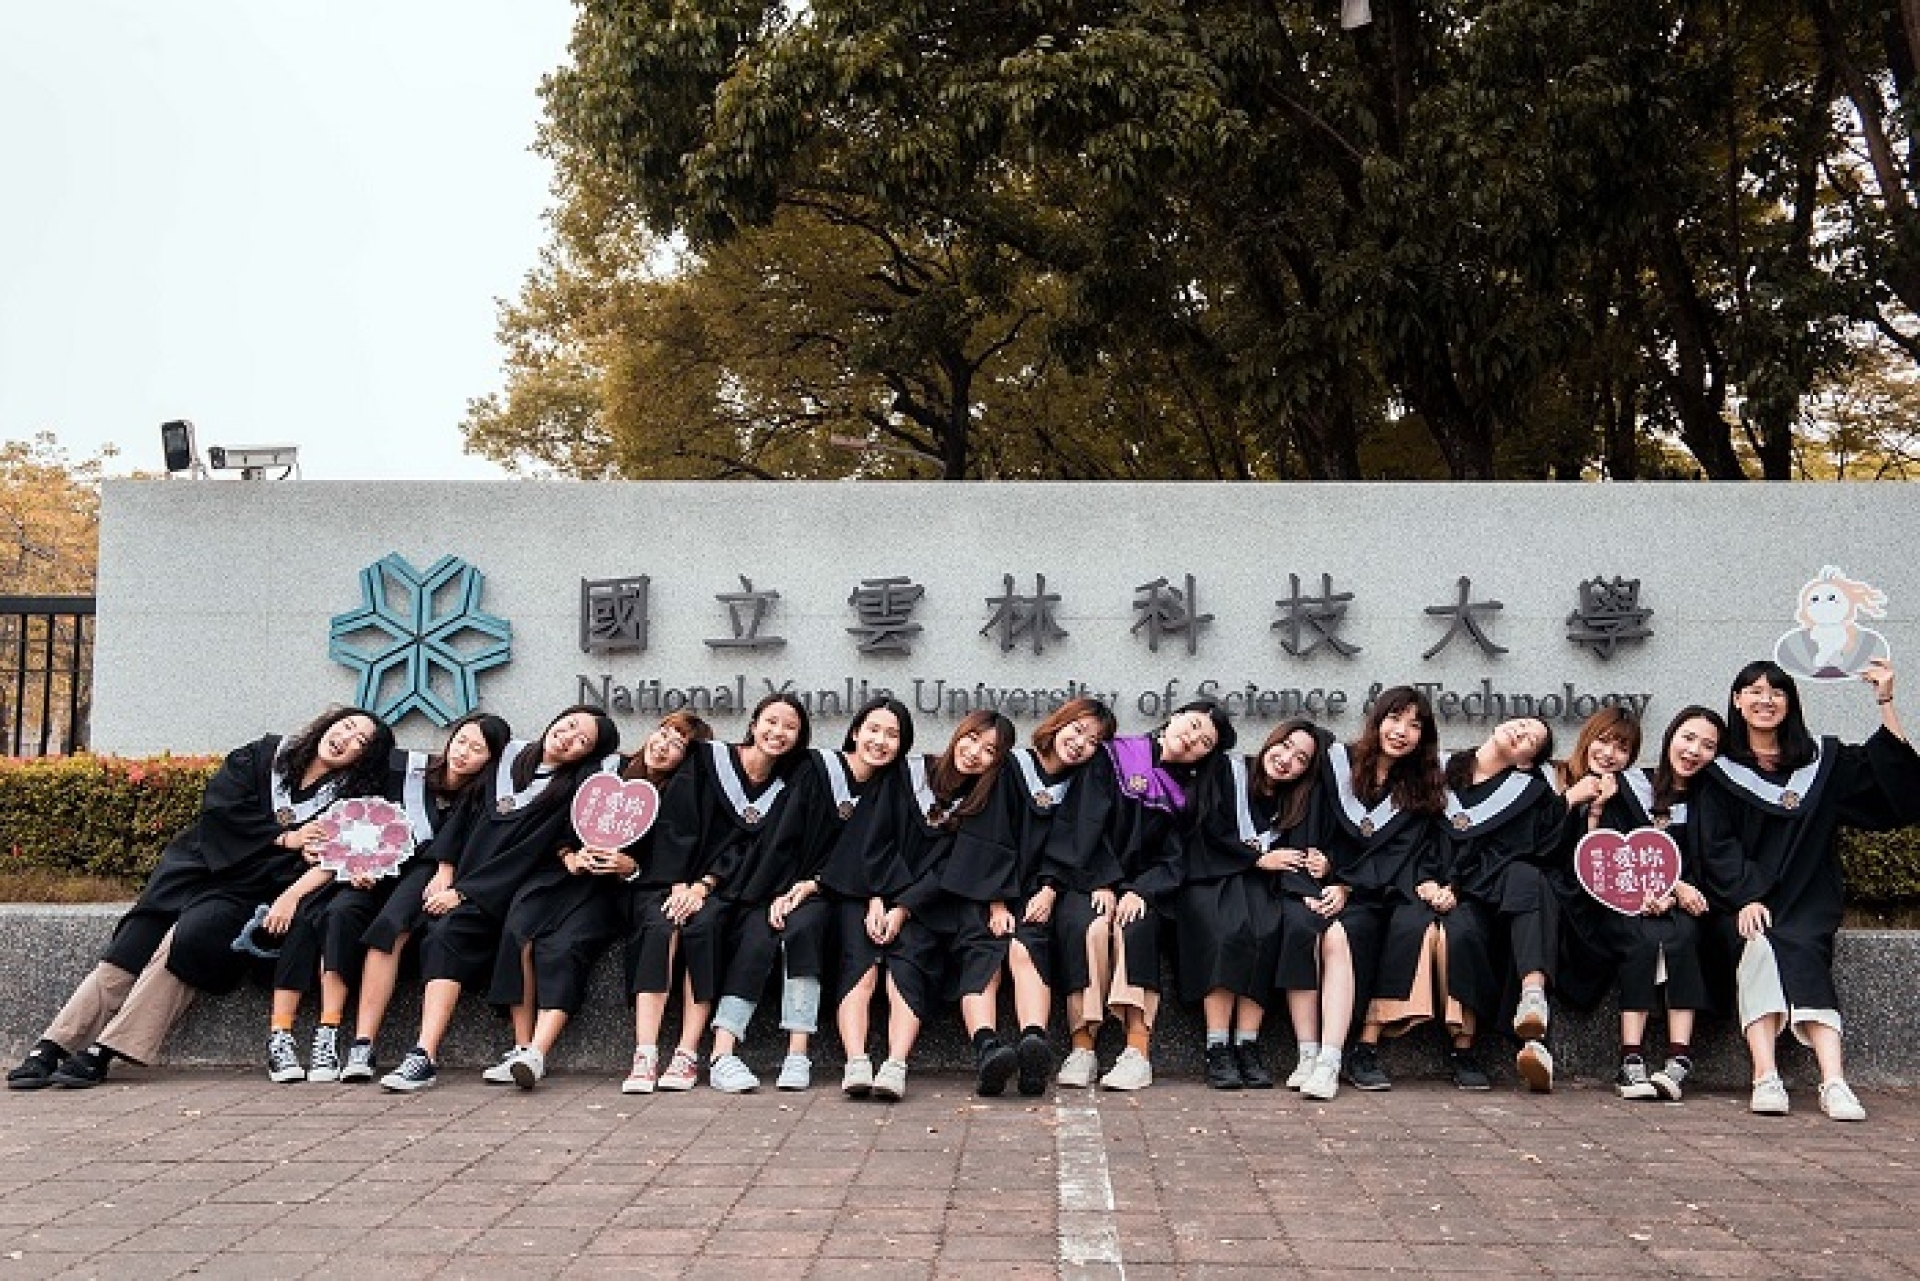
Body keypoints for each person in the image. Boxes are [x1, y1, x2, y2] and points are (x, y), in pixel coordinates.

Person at [11, 707, 394, 1089]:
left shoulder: (348, 801)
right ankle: (55, 1043)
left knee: (191, 939)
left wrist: (311, 862)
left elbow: (335, 856)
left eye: (360, 741)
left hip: (249, 890)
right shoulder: (266, 756)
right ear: (327, 725)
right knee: (133, 943)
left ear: (364, 758)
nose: (345, 738)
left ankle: (106, 1049)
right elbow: (221, 810)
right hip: (198, 868)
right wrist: (285, 839)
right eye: (345, 726)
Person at [1695, 657, 1918, 1121]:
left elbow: (1892, 785)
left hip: (1808, 897)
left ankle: (1834, 1082)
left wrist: (1885, 701)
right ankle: (1765, 1076)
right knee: (1756, 945)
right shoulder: (1719, 776)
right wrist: (1744, 897)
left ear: (1790, 703)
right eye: (1755, 691)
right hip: (1744, 902)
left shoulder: (1823, 763)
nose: (1766, 700)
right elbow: (1716, 846)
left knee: (1803, 946)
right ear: (1737, 701)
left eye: (1776, 691)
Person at [378, 706, 618, 1092]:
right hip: (463, 881)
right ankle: (423, 1054)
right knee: (434, 931)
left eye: (582, 741)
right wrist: (445, 868)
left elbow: (528, 855)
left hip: (505, 893)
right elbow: (462, 815)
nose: (568, 738)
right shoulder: (506, 758)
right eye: (570, 725)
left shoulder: (570, 791)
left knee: (452, 931)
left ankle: (447, 1053)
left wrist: (464, 892)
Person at [265, 711, 508, 1083]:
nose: (463, 753)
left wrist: (448, 875)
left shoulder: (483, 798)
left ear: (491, 759)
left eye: (477, 750)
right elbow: (359, 827)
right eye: (461, 741)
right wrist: (351, 865)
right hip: (370, 876)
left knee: (388, 928)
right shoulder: (406, 773)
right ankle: (325, 1033)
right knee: (337, 912)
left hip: (422, 879)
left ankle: (363, 1044)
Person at [481, 712, 710, 1089]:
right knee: (518, 929)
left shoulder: (679, 795)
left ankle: (537, 1052)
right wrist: (570, 854)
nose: (663, 745)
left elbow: (671, 859)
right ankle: (519, 1046)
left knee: (561, 948)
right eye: (663, 733)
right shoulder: (607, 771)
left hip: (613, 895)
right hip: (565, 878)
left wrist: (630, 868)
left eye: (678, 745)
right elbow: (559, 824)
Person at [705, 698, 905, 1093]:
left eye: (892, 735)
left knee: (805, 929)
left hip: (836, 892)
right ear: (855, 731)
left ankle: (798, 1053)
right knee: (758, 933)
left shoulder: (892, 788)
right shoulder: (817, 769)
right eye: (873, 729)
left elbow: (876, 856)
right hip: (779, 883)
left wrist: (818, 884)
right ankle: (721, 1052)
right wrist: (778, 890)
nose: (880, 741)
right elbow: (783, 834)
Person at [619, 693, 809, 1094]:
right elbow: (676, 822)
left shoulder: (785, 786)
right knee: (662, 925)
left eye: (790, 727)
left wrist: (706, 885)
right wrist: (679, 882)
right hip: (669, 879)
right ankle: (645, 1052)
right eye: (771, 721)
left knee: (703, 928)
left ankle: (687, 1052)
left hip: (722, 887)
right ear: (754, 725)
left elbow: (754, 849)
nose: (778, 732)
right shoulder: (708, 760)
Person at [1362, 716, 1559, 1092]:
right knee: (1408, 926)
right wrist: (1422, 881)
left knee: (1463, 931)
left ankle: (1463, 1049)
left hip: (1471, 893)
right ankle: (1367, 1044)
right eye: (1521, 724)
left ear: (1526, 762)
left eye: (1531, 740)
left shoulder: (1524, 795)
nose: (1521, 732)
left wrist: (1456, 887)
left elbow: (1505, 855)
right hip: (1412, 881)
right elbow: (1407, 831)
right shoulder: (1436, 769)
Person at [821, 709, 1010, 1101]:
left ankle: (895, 1064)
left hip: (925, 904)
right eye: (972, 738)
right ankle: (856, 1062)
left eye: (989, 750)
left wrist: (904, 907)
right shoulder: (907, 774)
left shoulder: (980, 804)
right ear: (958, 733)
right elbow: (872, 838)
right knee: (862, 960)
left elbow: (952, 869)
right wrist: (876, 899)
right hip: (867, 893)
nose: (975, 752)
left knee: (908, 963)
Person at [1049, 699, 1235, 1091]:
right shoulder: (1113, 756)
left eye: (1205, 742)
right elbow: (1084, 822)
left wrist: (1140, 890)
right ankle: (1082, 1047)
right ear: (1176, 716)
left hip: (1143, 888)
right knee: (1089, 928)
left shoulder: (1185, 795)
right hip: (1089, 876)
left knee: (1135, 927)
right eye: (1194, 725)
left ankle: (1138, 1050)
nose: (1194, 739)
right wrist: (1102, 881)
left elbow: (1175, 859)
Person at [943, 699, 1113, 1097]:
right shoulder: (1011, 767)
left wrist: (1050, 889)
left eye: (1093, 741)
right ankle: (987, 1049)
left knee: (1027, 944)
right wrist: (996, 902)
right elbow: (989, 833)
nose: (1080, 744)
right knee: (983, 950)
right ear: (1058, 724)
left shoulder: (1083, 784)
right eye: (1077, 730)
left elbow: (1080, 843)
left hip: (1041, 890)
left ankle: (1034, 1043)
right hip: (986, 890)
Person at [1558, 707, 1723, 1102]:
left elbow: (1713, 858)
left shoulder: (1711, 797)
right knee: (1641, 939)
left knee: (1683, 937)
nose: (1693, 750)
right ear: (1670, 738)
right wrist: (1650, 891)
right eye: (1687, 738)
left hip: (1681, 904)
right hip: (1627, 901)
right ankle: (1630, 1058)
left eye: (1707, 745)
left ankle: (1679, 1058)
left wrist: (1675, 892)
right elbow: (1610, 853)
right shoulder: (1628, 788)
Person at [1293, 688, 1446, 1096]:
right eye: (1395, 718)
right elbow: (1315, 826)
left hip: (1381, 891)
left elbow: (1399, 855)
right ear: (1377, 720)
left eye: (1415, 725)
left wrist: (1346, 881)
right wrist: (1322, 872)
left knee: (1368, 931)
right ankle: (1318, 1056)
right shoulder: (1337, 766)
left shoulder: (1419, 791)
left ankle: (1346, 1054)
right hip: (1328, 888)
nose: (1402, 731)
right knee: (1325, 931)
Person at [1176, 719, 1324, 1091]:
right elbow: (1204, 831)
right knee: (1227, 930)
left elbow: (1302, 853)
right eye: (1285, 745)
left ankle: (1247, 1044)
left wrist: (1318, 871)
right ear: (1271, 740)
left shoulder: (1294, 803)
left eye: (1301, 759)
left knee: (1267, 929)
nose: (1287, 759)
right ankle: (1217, 1046)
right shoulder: (1226, 770)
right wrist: (1255, 858)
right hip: (1212, 877)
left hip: (1260, 885)